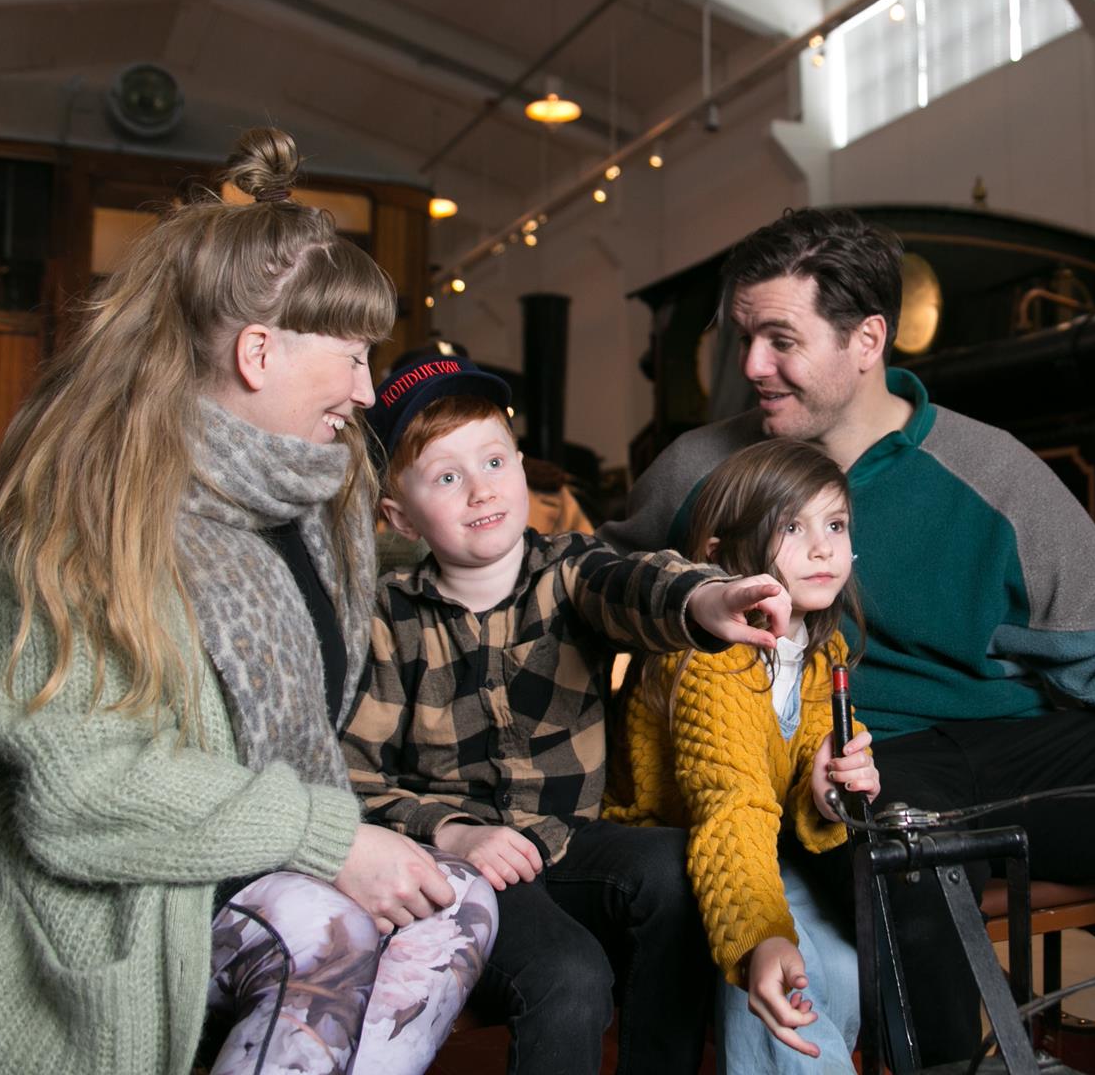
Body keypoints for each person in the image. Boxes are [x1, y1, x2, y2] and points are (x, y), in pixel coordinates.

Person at [600, 207, 1095, 1073]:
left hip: (1016, 752)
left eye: (780, 341)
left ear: (867, 339)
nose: (753, 367)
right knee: (902, 835)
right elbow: (587, 584)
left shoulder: (991, 470)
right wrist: (690, 602)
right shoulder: (699, 469)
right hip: (852, 761)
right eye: (746, 340)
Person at [0, 128, 495, 1075]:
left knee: (461, 902)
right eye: (351, 355)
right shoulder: (84, 528)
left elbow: (415, 550)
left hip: (258, 840)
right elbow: (77, 793)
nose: (366, 389)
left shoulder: (317, 491)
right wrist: (331, 840)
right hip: (127, 875)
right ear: (259, 352)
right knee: (333, 933)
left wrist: (678, 584)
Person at [340, 348, 800, 1075]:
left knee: (675, 870)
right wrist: (455, 834)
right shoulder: (388, 617)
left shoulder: (570, 570)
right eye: (447, 477)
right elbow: (355, 783)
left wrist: (706, 600)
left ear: (523, 468)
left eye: (494, 462)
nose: (479, 491)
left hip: (571, 842)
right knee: (571, 975)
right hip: (469, 873)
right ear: (399, 513)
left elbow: (636, 586)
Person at [605, 438, 880, 1075]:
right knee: (783, 971)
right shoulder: (711, 658)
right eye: (791, 526)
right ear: (719, 555)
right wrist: (760, 934)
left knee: (840, 966)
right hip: (674, 844)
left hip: (765, 840)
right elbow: (731, 807)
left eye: (835, 525)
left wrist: (830, 790)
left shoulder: (821, 647)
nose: (823, 547)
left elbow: (800, 767)